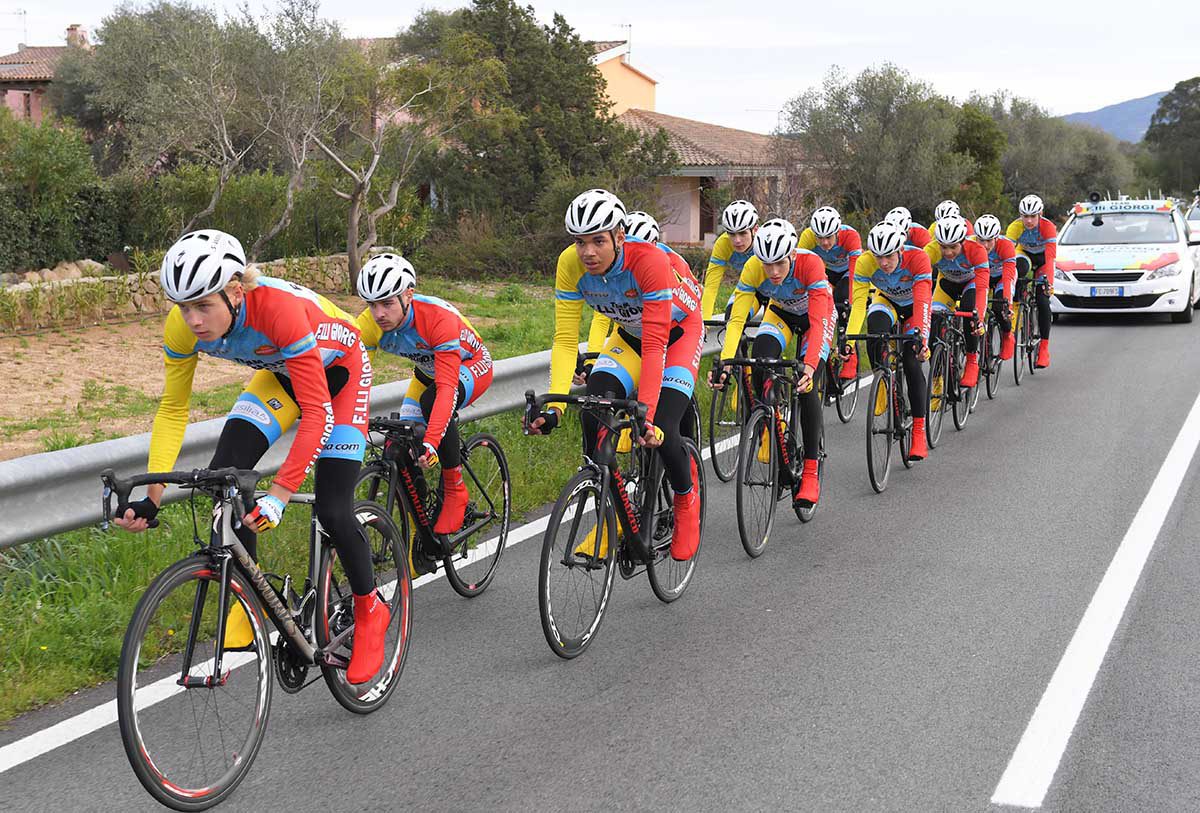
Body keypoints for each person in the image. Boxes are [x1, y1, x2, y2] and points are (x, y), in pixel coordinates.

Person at [114, 229, 388, 685]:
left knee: (333, 507)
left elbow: (317, 410)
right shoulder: (182, 328)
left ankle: (370, 609)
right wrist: (151, 496)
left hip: (339, 378)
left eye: (204, 305)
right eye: (184, 307)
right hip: (281, 376)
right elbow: (173, 409)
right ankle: (251, 603)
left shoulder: (277, 312)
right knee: (228, 478)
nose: (194, 320)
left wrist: (280, 495)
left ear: (236, 291)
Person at [527, 189, 705, 561]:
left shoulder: (649, 262)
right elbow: (564, 341)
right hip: (629, 336)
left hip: (676, 336)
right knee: (594, 406)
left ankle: (686, 502)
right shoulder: (570, 265)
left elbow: (656, 347)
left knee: (665, 429)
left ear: (620, 237)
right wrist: (555, 405)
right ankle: (613, 507)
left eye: (598, 241)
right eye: (579, 242)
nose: (587, 252)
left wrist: (649, 415)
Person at [354, 253, 494, 573]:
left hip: (470, 367)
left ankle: (455, 488)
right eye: (371, 304)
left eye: (387, 303)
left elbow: (446, 388)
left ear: (408, 295)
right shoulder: (371, 323)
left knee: (434, 405)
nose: (378, 313)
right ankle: (423, 526)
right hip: (426, 373)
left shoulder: (436, 318)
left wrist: (432, 441)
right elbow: (353, 375)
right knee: (398, 444)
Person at [710, 218, 833, 507]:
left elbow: (817, 322)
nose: (774, 272)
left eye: (780, 263)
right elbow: (737, 318)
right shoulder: (754, 267)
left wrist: (811, 366)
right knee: (761, 363)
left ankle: (811, 471)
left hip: (817, 318)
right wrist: (727, 361)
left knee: (806, 385)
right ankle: (774, 430)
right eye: (768, 265)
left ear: (792, 255)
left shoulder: (810, 264)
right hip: (781, 314)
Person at [846, 221, 933, 460]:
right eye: (878, 257)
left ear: (900, 250)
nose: (883, 263)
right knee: (874, 333)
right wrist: (849, 342)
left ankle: (918, 432)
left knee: (912, 361)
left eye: (888, 256)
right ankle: (883, 380)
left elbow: (924, 300)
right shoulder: (865, 263)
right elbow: (858, 306)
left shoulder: (918, 259)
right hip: (887, 302)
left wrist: (922, 339)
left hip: (914, 307)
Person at [925, 215, 990, 388]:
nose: (947, 252)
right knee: (934, 324)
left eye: (953, 247)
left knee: (970, 312)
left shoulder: (976, 250)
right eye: (943, 247)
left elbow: (983, 288)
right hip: (946, 285)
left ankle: (971, 360)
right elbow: (920, 281)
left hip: (970, 284)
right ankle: (937, 377)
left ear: (963, 241)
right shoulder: (930, 250)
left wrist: (980, 318)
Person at [798, 205, 862, 379]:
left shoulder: (850, 236)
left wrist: (851, 301)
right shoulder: (807, 237)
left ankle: (849, 355)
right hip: (825, 273)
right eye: (820, 238)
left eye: (829, 237)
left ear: (837, 232)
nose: (825, 243)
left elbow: (855, 273)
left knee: (842, 300)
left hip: (848, 272)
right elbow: (799, 266)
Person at [1006, 194, 1057, 368]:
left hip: (1043, 260)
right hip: (1025, 255)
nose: (1028, 221)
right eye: (1025, 216)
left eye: (1032, 216)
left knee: (1043, 299)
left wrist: (1048, 283)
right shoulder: (1015, 227)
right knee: (1017, 270)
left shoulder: (1048, 227)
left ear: (1040, 214)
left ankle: (1044, 348)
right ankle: (1012, 329)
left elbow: (1050, 259)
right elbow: (1007, 255)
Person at [702, 199, 760, 319]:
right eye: (731, 234)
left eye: (742, 233)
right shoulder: (723, 244)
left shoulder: (764, 243)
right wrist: (704, 323)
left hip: (774, 288)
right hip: (749, 286)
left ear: (755, 229)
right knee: (731, 317)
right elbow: (711, 287)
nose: (737, 240)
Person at [972, 214, 1017, 360]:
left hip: (1001, 278)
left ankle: (1007, 336)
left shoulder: (1006, 246)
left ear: (997, 238)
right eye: (981, 240)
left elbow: (1008, 277)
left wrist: (1008, 304)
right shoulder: (971, 246)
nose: (985, 245)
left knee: (999, 307)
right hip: (980, 276)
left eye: (989, 240)